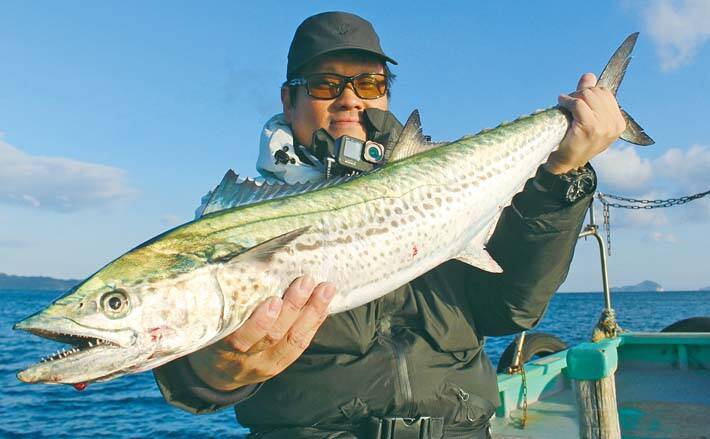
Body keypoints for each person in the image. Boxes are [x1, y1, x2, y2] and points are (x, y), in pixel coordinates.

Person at [154, 11, 625, 438]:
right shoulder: (231, 219)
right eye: (324, 84)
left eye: (369, 83)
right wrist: (209, 373)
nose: (349, 99)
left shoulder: (451, 192)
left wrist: (560, 177)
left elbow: (509, 311)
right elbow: (186, 331)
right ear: (288, 99)